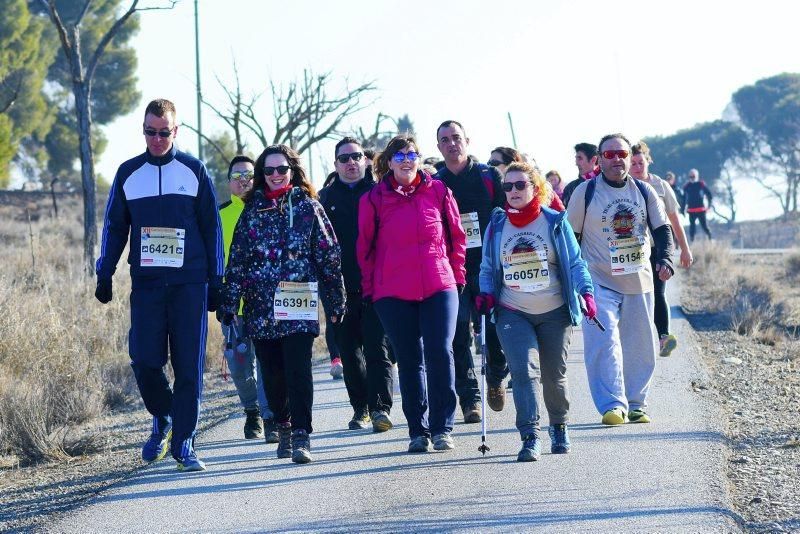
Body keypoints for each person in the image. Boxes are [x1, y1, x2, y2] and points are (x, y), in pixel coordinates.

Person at [95, 98, 223, 472]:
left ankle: (184, 442)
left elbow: (212, 228)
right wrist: (105, 271)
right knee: (145, 361)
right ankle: (164, 416)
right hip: (148, 284)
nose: (156, 139)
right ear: (144, 130)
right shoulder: (129, 173)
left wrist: (217, 280)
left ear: (176, 131)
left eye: (163, 132)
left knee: (188, 368)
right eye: (150, 132)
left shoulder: (194, 171)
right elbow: (115, 226)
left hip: (189, 284)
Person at [222, 144, 346, 464]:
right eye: (269, 170)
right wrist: (230, 299)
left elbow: (328, 255)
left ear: (292, 171)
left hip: (298, 300)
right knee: (273, 373)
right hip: (261, 306)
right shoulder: (252, 212)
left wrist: (335, 299)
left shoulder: (307, 207)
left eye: (282, 169)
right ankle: (284, 426)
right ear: (262, 175)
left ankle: (302, 434)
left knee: (298, 369)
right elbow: (237, 260)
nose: (276, 175)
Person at [357, 134, 466, 453]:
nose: (406, 161)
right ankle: (418, 429)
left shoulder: (439, 190)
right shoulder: (374, 199)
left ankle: (443, 426)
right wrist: (370, 289)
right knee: (409, 359)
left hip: (438, 283)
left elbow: (456, 237)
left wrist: (457, 276)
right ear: (388, 162)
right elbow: (364, 247)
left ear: (419, 159)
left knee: (439, 352)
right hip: (392, 290)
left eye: (412, 155)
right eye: (400, 156)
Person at [478, 162, 594, 461]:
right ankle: (530, 436)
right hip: (512, 311)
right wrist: (486, 293)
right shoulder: (498, 224)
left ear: (535, 188)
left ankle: (559, 426)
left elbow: (575, 262)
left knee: (553, 375)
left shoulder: (554, 220)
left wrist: (586, 292)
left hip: (554, 310)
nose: (514, 191)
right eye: (508, 186)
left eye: (520, 185)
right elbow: (489, 267)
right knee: (523, 372)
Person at [566, 133, 675, 426]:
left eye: (622, 154)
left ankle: (637, 403)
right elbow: (570, 238)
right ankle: (613, 405)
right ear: (599, 160)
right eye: (610, 154)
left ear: (629, 157)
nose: (617, 159)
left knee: (640, 345)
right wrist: (574, 279)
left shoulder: (644, 191)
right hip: (597, 280)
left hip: (638, 280)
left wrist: (665, 259)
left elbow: (663, 230)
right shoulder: (585, 193)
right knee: (604, 342)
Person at [319, 137, 394, 432]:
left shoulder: (379, 194)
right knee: (350, 354)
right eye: (344, 158)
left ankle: (380, 409)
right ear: (335, 164)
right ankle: (360, 408)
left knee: (378, 350)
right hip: (339, 290)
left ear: (366, 160)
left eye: (356, 157)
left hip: (378, 287)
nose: (351, 163)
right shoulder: (324, 199)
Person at [435, 121, 507, 421]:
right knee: (458, 337)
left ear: (467, 141)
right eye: (445, 140)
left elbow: (506, 216)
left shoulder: (490, 177)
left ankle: (494, 375)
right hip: (453, 270)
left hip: (489, 266)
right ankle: (470, 399)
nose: (452, 144)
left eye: (456, 138)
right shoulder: (434, 184)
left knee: (496, 332)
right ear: (438, 147)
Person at [218, 155, 277, 443]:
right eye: (238, 175)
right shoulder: (219, 216)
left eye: (249, 176)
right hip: (233, 307)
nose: (244, 181)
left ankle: (269, 417)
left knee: (268, 363)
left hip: (265, 304)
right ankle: (251, 410)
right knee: (239, 366)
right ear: (229, 181)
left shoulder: (269, 210)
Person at [631, 142, 693, 357]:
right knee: (637, 296)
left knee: (658, 292)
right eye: (633, 163)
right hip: (632, 252)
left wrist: (684, 249)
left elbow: (674, 220)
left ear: (648, 161)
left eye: (641, 162)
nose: (637, 167)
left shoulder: (661, 186)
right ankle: (641, 339)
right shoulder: (625, 186)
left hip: (658, 249)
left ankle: (664, 337)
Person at [561, 142, 601, 208]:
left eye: (580, 158)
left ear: (593, 160)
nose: (576, 163)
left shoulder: (609, 183)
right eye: (576, 158)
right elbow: (565, 215)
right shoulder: (571, 188)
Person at [682, 169, 713, 242]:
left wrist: (709, 206)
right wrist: (682, 210)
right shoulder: (686, 186)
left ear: (697, 176)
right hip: (691, 210)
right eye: (690, 176)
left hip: (701, 210)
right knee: (692, 227)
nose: (692, 177)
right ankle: (692, 242)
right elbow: (683, 199)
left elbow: (709, 195)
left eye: (693, 176)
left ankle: (710, 238)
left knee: (704, 226)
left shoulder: (701, 184)